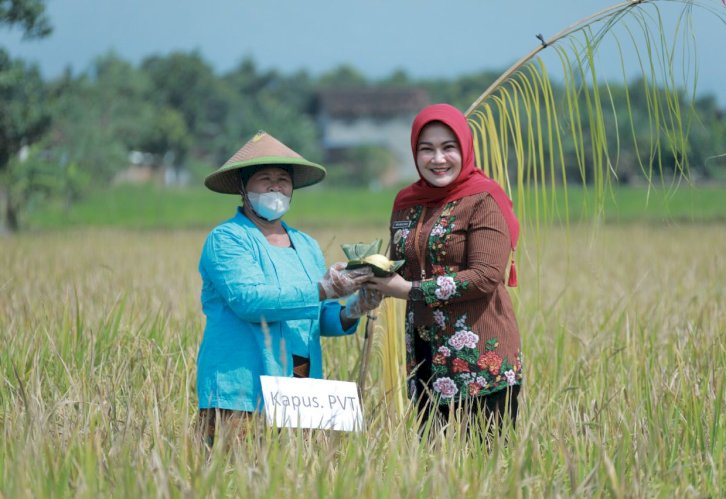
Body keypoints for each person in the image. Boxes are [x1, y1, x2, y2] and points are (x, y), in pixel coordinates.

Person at [197, 131, 381, 445]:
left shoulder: (307, 245)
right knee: (237, 481)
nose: (275, 186)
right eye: (263, 178)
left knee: (302, 479)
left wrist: (353, 309)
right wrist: (323, 290)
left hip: (300, 390)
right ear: (243, 187)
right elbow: (250, 301)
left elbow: (318, 316)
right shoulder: (227, 238)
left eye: (283, 179)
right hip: (242, 387)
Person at [366, 103, 522, 438]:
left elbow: (485, 276)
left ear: (464, 150)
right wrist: (364, 274)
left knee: (485, 468)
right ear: (415, 153)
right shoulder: (407, 202)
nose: (438, 159)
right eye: (427, 149)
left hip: (479, 358)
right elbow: (400, 264)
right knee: (434, 468)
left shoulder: (483, 199)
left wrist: (411, 291)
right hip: (425, 353)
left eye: (448, 148)